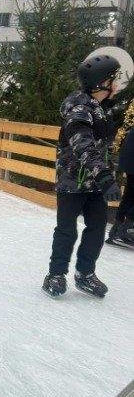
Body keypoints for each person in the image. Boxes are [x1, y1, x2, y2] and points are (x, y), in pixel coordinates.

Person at [42, 52, 125, 298]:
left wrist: (105, 176)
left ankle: (85, 274)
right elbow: (83, 145)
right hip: (73, 181)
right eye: (113, 79)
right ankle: (56, 274)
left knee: (97, 228)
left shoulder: (100, 108)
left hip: (95, 183)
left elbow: (103, 143)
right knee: (66, 230)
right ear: (102, 83)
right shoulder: (79, 110)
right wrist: (105, 177)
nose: (117, 84)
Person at [107, 107, 134, 248]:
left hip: (130, 154)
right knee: (131, 194)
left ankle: (116, 230)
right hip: (131, 154)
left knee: (130, 194)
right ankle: (127, 230)